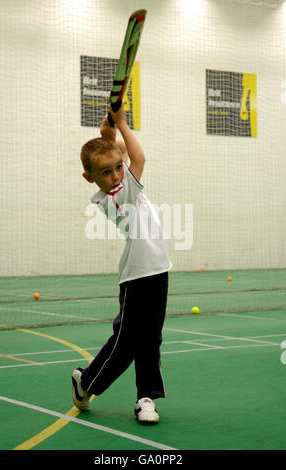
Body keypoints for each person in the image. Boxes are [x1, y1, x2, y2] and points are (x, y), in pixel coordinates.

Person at [72, 105, 172, 424]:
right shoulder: (114, 197)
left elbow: (127, 161)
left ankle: (146, 398)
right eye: (106, 171)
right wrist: (124, 125)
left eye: (118, 168)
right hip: (136, 278)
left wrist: (110, 137)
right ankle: (86, 382)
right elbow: (138, 159)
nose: (116, 174)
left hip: (158, 270)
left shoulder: (123, 186)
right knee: (125, 343)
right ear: (90, 178)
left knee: (150, 340)